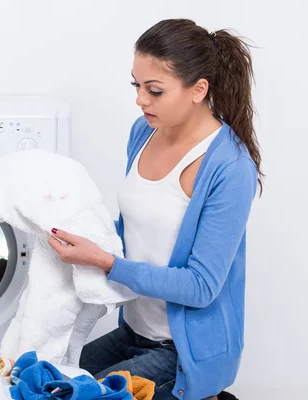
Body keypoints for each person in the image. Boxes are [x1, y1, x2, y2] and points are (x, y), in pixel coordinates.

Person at [48, 19, 261, 400]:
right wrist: (84, 237)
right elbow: (136, 227)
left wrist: (108, 263)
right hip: (131, 332)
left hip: (182, 354)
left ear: (199, 90)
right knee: (35, 382)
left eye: (155, 90)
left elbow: (201, 287)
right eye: (136, 85)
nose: (140, 100)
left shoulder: (229, 166)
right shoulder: (143, 132)